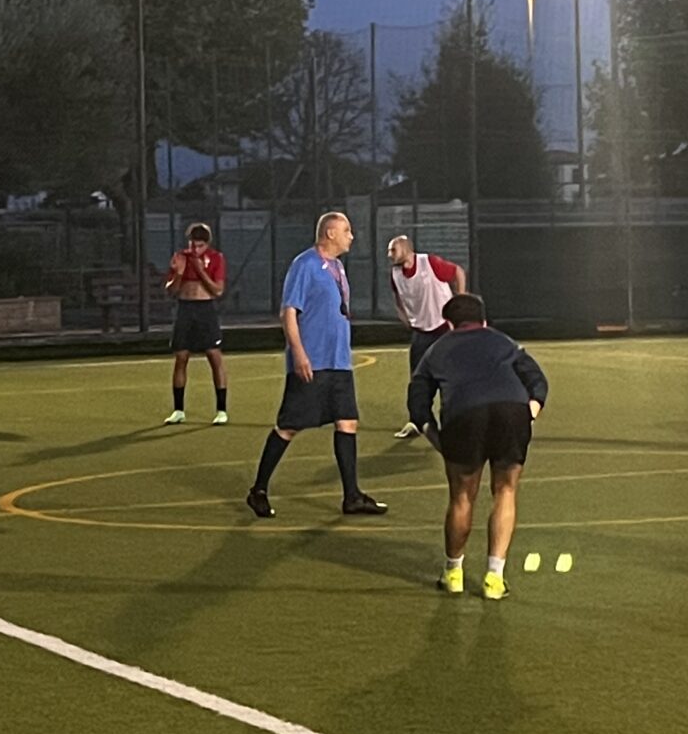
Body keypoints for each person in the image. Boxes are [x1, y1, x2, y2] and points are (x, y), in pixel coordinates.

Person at [247, 211, 385, 519]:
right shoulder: (305, 265)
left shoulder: (336, 267)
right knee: (289, 425)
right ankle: (258, 490)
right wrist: (299, 354)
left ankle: (352, 496)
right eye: (347, 230)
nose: (352, 235)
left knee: (347, 422)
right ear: (330, 233)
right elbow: (289, 312)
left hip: (339, 362)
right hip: (314, 361)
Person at [410, 292, 548, 599]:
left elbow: (417, 406)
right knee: (506, 490)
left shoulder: (434, 351)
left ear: (449, 323)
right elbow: (537, 380)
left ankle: (453, 572)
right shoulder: (504, 342)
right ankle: (494, 578)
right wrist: (530, 413)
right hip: (512, 412)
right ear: (484, 320)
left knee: (462, 497)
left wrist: (439, 441)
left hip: (464, 417)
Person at [387, 236, 467, 439]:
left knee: (449, 379)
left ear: (406, 249)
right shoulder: (395, 274)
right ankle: (418, 421)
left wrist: (460, 298)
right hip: (421, 333)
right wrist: (403, 316)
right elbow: (398, 299)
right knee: (418, 381)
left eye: (393, 250)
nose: (390, 255)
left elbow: (457, 271)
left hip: (443, 329)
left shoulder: (430, 263)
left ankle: (456, 421)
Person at [164, 223, 231, 426]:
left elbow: (217, 291)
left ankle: (221, 410)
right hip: (185, 309)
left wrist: (201, 271)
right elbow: (171, 290)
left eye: (200, 245)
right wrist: (178, 274)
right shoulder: (180, 257)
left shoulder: (216, 258)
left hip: (205, 310)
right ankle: (178, 410)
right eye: (193, 243)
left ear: (207, 244)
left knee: (214, 356)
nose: (195, 249)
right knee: (181, 357)